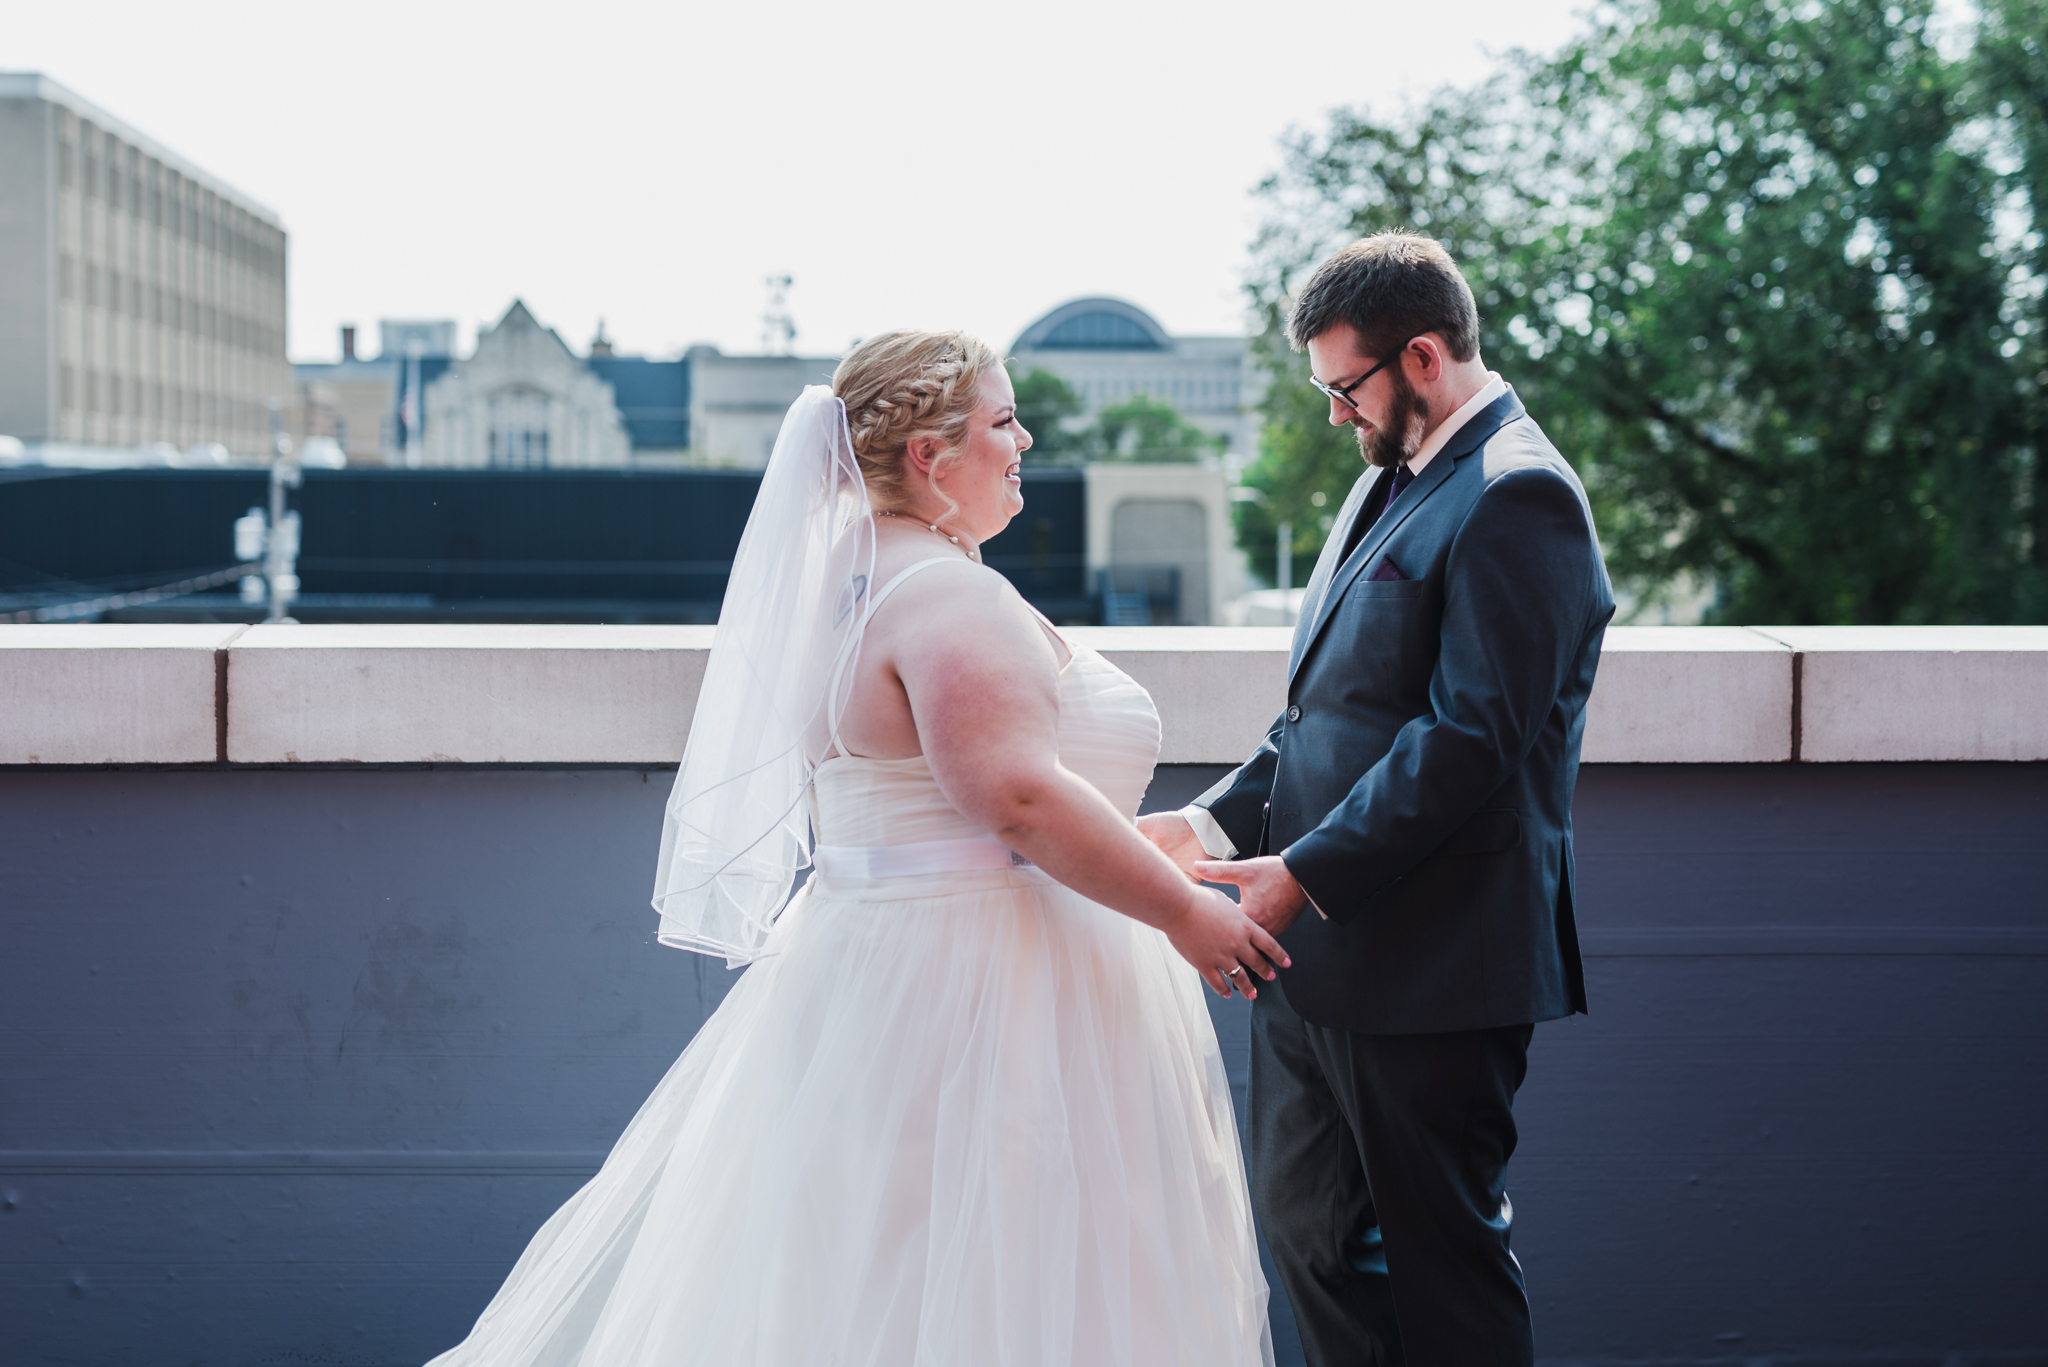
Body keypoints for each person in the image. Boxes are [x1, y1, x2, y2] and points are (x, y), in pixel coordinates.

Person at [426, 331, 1279, 1367]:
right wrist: (1182, 910)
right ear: (929, 454)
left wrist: (1136, 846)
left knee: (883, 1267)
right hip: (992, 993)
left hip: (887, 968)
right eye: (1003, 421)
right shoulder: (943, 594)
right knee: (1001, 1271)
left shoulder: (848, 575)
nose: (1024, 441)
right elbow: (1010, 796)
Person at [1141, 232, 1614, 1366]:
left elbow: (1468, 739)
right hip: (1311, 959)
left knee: (1442, 1270)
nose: (1335, 415)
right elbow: (1324, 719)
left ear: (1419, 357)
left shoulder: (1520, 493)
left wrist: (1298, 873)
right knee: (1307, 1238)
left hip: (1434, 966)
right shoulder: (1381, 483)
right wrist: (1202, 825)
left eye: (1343, 387)